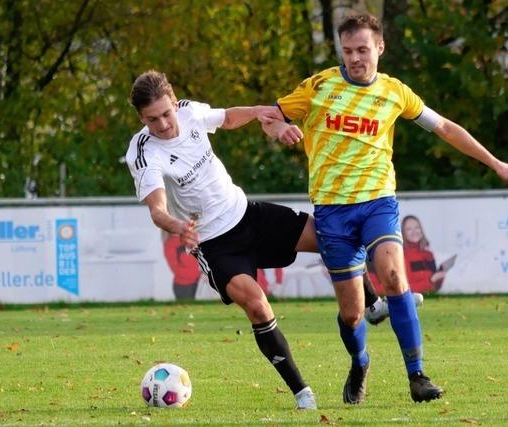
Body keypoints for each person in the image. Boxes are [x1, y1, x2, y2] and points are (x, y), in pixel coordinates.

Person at [263, 13, 508, 404]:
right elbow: (270, 117)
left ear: (380, 48)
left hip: (378, 202)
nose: (355, 58)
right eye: (348, 50)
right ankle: (360, 361)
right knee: (353, 314)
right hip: (332, 211)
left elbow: (445, 128)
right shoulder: (319, 86)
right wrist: (279, 129)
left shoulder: (395, 92)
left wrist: (495, 163)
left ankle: (417, 374)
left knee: (392, 275)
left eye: (363, 50)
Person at [125, 69, 391, 409]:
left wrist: (256, 112)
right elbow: (157, 208)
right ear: (141, 118)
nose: (163, 124)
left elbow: (226, 118)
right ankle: (302, 393)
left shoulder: (189, 112)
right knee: (256, 305)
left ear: (175, 103)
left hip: (248, 214)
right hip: (215, 243)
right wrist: (176, 226)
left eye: (166, 113)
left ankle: (371, 303)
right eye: (152, 119)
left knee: (330, 236)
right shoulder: (144, 152)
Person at [400, 215, 447, 293]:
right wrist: (431, 280)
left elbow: (435, 287)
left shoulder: (429, 255)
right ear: (403, 233)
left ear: (421, 230)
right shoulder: (402, 256)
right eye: (409, 229)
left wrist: (440, 277)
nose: (414, 231)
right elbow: (406, 288)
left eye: (417, 227)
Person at [163, 231, 202, 300]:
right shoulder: (170, 244)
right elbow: (176, 270)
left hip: (198, 283)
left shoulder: (191, 237)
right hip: (183, 286)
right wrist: (199, 273)